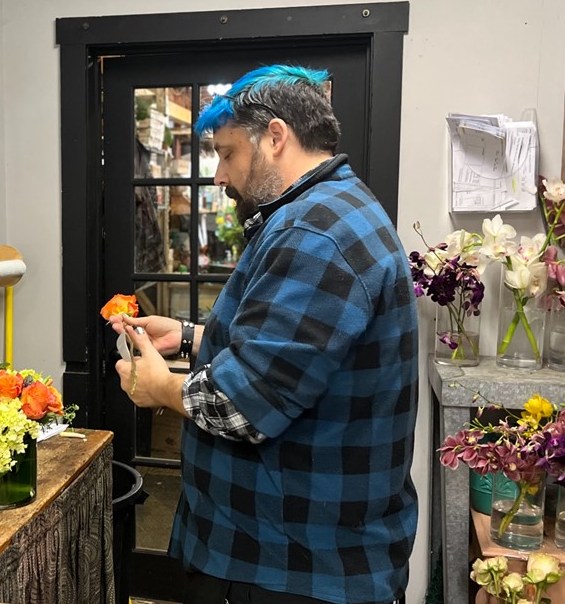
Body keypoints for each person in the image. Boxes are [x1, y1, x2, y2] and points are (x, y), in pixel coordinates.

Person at [109, 65, 418, 604]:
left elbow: (241, 405)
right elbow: (294, 351)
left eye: (227, 154)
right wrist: (189, 336)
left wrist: (159, 389)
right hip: (293, 550)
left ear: (276, 137)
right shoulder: (327, 209)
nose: (219, 176)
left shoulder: (316, 233)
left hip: (291, 566)